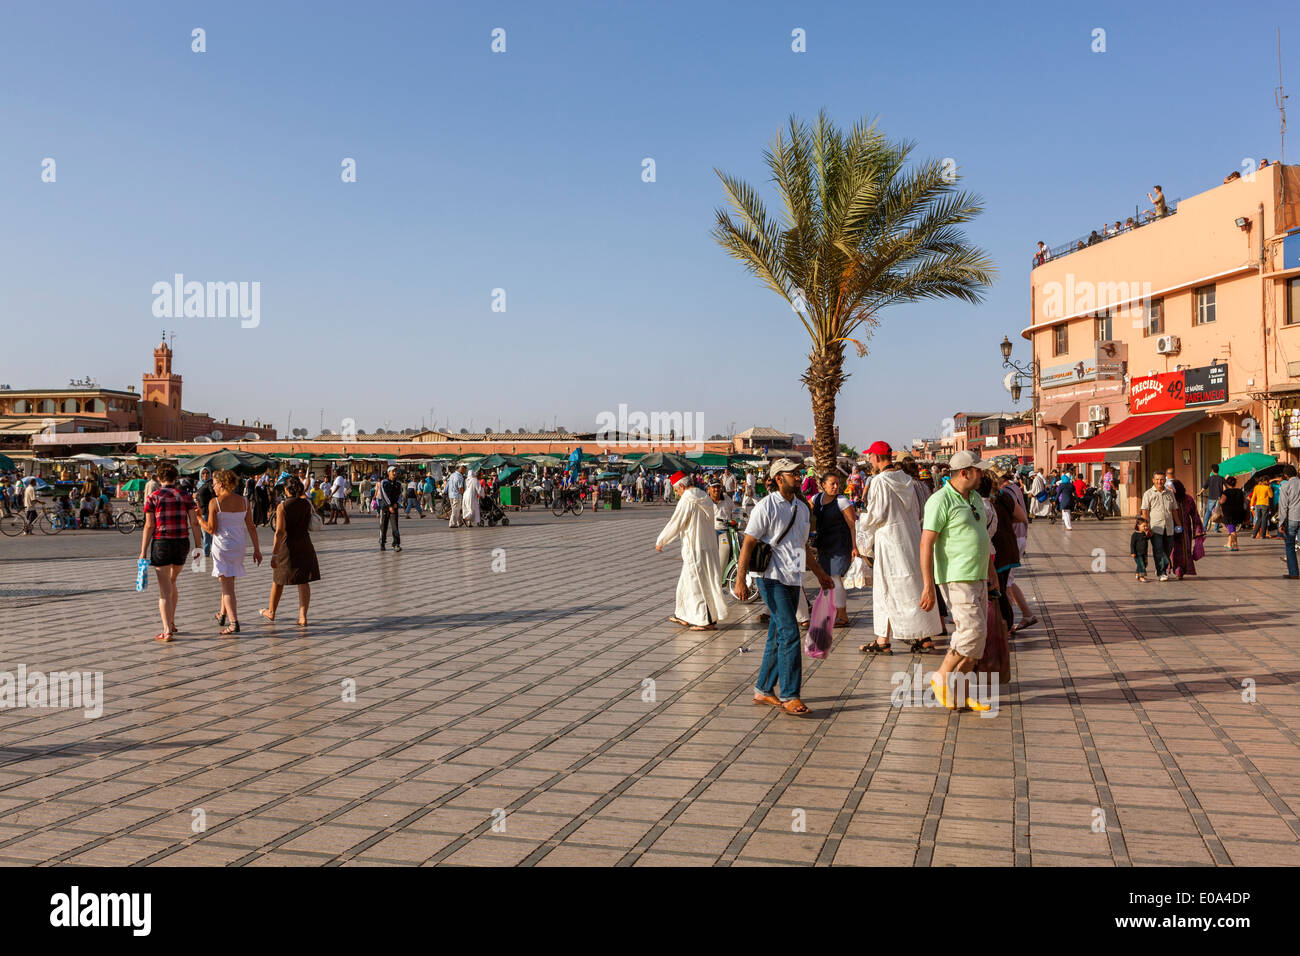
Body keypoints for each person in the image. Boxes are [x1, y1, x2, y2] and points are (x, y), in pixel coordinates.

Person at [734, 459, 835, 717]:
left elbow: (802, 548)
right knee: (790, 633)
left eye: (800, 473)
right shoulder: (765, 507)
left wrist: (820, 573)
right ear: (779, 478)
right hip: (770, 577)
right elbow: (748, 543)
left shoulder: (802, 508)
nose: (799, 477)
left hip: (793, 578)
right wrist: (740, 579)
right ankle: (791, 695)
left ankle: (764, 689)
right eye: (794, 474)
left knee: (778, 635)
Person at [919, 451, 995, 712]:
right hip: (956, 576)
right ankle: (941, 675)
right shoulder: (939, 501)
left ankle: (960, 694)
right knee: (971, 632)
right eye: (978, 470)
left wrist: (992, 574)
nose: (982, 474)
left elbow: (983, 538)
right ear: (965, 472)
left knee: (977, 638)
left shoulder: (973, 498)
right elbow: (926, 544)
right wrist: (928, 585)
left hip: (979, 574)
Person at [857, 442, 940, 654]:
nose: (868, 461)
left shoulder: (879, 482)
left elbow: (877, 514)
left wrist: (862, 522)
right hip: (911, 537)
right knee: (911, 584)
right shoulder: (907, 481)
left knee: (888, 587)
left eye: (869, 457)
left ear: (876, 457)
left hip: (889, 540)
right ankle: (906, 636)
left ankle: (901, 638)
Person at [655, 471, 730, 631]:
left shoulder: (687, 499)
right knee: (686, 583)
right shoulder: (704, 496)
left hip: (695, 549)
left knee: (698, 585)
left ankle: (705, 621)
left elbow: (676, 522)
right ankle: (681, 614)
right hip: (709, 546)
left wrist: (661, 540)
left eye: (677, 490)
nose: (677, 492)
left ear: (682, 486)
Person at [138, 462, 202, 643]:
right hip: (182, 543)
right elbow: (195, 522)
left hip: (162, 543)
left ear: (159, 478)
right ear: (176, 478)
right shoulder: (186, 496)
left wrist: (143, 551)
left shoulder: (153, 497)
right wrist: (198, 545)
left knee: (164, 590)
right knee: (172, 581)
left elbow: (149, 525)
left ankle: (166, 630)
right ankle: (172, 621)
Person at [198, 469, 262, 635]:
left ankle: (234, 623)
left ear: (220, 484)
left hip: (222, 547)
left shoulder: (215, 502)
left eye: (214, 483)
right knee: (228, 580)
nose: (213, 487)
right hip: (239, 546)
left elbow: (211, 529)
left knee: (227, 587)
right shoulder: (244, 501)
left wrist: (198, 518)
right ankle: (222, 614)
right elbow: (251, 526)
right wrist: (257, 549)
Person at [260, 475, 320, 627]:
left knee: (278, 580)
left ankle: (271, 612)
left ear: (286, 489)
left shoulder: (283, 506)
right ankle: (302, 616)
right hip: (305, 543)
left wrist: (274, 554)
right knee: (304, 580)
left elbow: (279, 531)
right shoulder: (306, 504)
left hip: (287, 546)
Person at [810, 467, 858, 628]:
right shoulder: (816, 499)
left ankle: (842, 615)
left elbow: (852, 525)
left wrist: (854, 546)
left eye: (838, 484)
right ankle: (832, 612)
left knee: (836, 578)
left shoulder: (842, 501)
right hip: (824, 544)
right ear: (823, 485)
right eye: (832, 484)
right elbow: (806, 512)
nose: (836, 487)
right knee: (827, 579)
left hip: (840, 543)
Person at [1140, 472, 1176, 580]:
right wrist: (1146, 526)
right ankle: (1161, 572)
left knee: (1168, 550)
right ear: (1153, 480)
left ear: (1165, 480)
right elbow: (1145, 511)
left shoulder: (1170, 493)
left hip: (1169, 527)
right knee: (1158, 549)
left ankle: (1160, 567)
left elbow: (1174, 510)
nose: (1159, 482)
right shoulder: (1148, 494)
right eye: (1157, 479)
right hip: (1155, 527)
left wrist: (1178, 525)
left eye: (1161, 479)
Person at [1168, 479, 1205, 580]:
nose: (1169, 490)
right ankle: (1176, 570)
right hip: (1171, 528)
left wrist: (1198, 530)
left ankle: (1179, 570)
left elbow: (1195, 515)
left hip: (1183, 530)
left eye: (1171, 488)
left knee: (1182, 550)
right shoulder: (1168, 498)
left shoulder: (1188, 499)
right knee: (1173, 549)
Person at [1277, 465, 1300, 579]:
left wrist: (1281, 522)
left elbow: (1283, 506)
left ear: (1286, 475)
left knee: (1290, 545)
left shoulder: (1286, 485)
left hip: (1292, 518)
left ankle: (1294, 573)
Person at [707, 478, 735, 572]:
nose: (716, 489)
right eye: (714, 487)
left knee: (727, 548)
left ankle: (721, 574)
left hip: (725, 530)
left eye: (718, 487)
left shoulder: (727, 498)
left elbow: (734, 511)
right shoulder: (705, 501)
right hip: (710, 531)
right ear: (709, 489)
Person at [377, 465, 403, 552]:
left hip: (394, 508)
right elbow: (384, 495)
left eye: (396, 471)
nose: (395, 473)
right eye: (393, 471)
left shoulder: (398, 484)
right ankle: (382, 542)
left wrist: (396, 503)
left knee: (395, 526)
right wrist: (389, 506)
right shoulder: (384, 482)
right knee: (383, 526)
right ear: (388, 473)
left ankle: (396, 544)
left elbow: (400, 495)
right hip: (385, 508)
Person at [1219, 475, 1246, 551]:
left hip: (1229, 514)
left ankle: (1235, 546)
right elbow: (1244, 500)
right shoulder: (1240, 491)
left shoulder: (1226, 492)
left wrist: (1219, 501)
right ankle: (1228, 543)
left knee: (1232, 531)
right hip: (1239, 513)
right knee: (1232, 528)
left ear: (1227, 483)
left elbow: (1222, 501)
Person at [195, 468, 216, 555]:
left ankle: (206, 552)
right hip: (200, 510)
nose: (205, 475)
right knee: (203, 532)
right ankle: (214, 546)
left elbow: (214, 495)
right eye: (203, 473)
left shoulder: (210, 484)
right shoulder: (199, 484)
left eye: (207, 473)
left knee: (206, 532)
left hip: (207, 510)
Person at [1201, 464, 1223, 532]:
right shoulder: (1221, 478)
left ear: (1212, 471)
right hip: (1219, 497)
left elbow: (1204, 487)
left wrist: (1199, 493)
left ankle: (1204, 528)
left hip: (1211, 498)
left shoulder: (1209, 478)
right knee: (1217, 513)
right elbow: (1225, 487)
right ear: (1218, 470)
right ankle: (1216, 529)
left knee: (1208, 512)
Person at [1131, 518, 1152, 582]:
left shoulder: (1143, 533)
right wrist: (1132, 552)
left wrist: (1148, 535)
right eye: (1144, 526)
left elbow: (1146, 539)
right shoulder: (1135, 535)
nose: (1145, 527)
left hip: (1144, 553)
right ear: (1138, 526)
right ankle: (1141, 577)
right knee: (1141, 564)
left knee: (1145, 564)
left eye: (1146, 526)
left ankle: (1137, 573)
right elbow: (1132, 544)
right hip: (1137, 553)